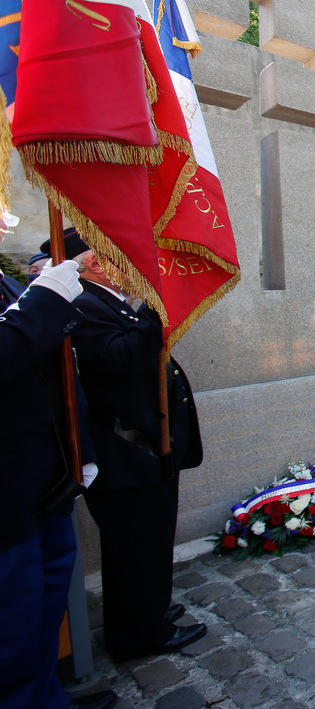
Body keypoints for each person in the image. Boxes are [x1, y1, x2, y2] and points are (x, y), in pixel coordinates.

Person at [56, 232, 208, 663]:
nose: (128, 267)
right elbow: (118, 359)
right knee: (134, 548)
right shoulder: (84, 305)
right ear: (94, 264)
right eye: (115, 258)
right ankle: (139, 634)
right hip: (127, 449)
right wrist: (155, 315)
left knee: (150, 541)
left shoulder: (107, 301)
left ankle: (149, 610)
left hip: (146, 447)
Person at [0, 249, 120, 709]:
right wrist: (43, 302)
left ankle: (45, 698)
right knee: (11, 623)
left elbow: (54, 372)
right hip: (7, 487)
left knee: (41, 610)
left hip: (41, 475)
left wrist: (78, 449)